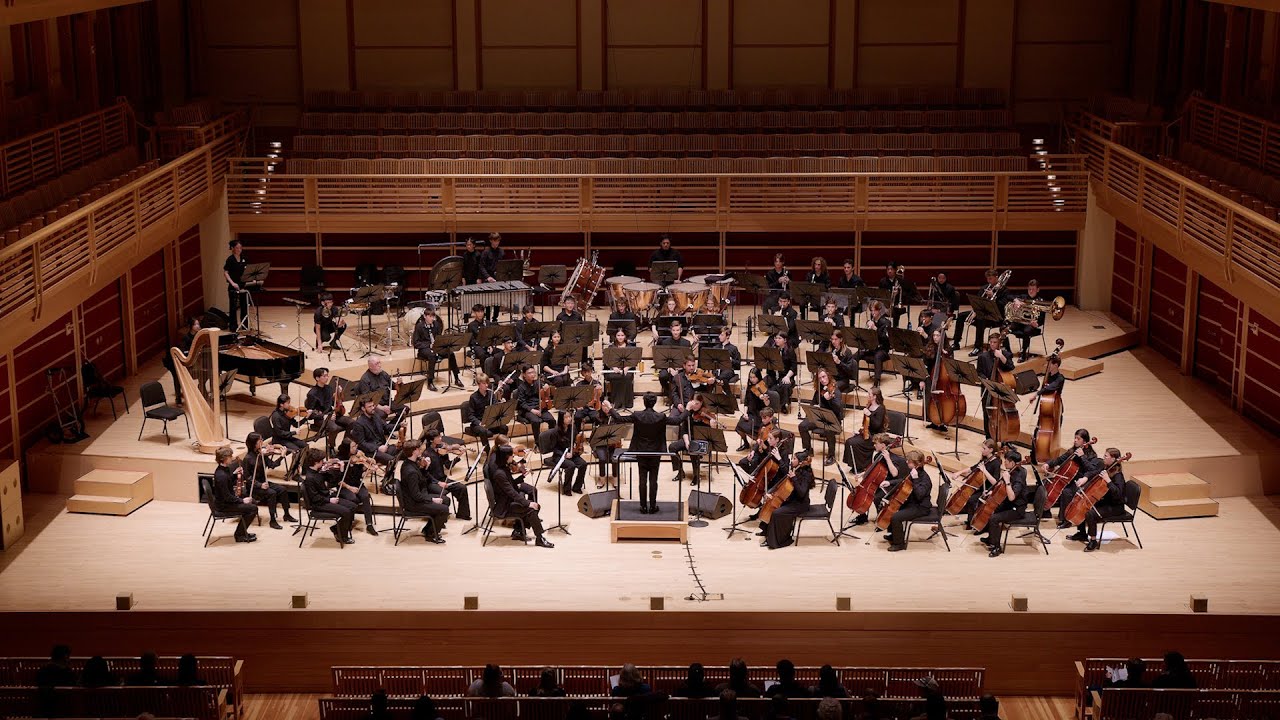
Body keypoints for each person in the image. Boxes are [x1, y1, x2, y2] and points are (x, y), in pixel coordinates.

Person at [607, 392, 681, 514]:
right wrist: (688, 410)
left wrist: (610, 409)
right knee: (653, 480)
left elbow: (619, 418)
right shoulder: (661, 417)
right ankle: (652, 506)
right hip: (655, 453)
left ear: (644, 402)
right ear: (655, 403)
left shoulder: (637, 415)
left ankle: (643, 506)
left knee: (642, 479)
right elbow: (678, 420)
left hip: (641, 451)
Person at [492, 447, 555, 548]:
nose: (513, 457)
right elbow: (511, 492)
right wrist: (528, 503)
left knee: (533, 506)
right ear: (506, 457)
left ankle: (520, 530)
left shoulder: (503, 468)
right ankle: (539, 538)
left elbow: (511, 485)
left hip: (507, 501)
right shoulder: (500, 474)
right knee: (531, 509)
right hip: (504, 506)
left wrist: (523, 476)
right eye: (512, 455)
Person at [1068, 447, 1129, 550]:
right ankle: (1082, 533)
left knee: (1090, 512)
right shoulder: (1106, 468)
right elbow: (1094, 472)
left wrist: (1108, 481)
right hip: (1105, 501)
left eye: (1106, 456)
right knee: (1084, 505)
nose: (1103, 458)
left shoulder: (1118, 476)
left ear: (1113, 459)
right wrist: (1085, 478)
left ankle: (1093, 541)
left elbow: (1118, 495)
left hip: (1115, 506)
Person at [1041, 428, 1101, 530]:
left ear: (1085, 441)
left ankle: (1066, 520)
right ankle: (1046, 510)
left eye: (1078, 438)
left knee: (1067, 492)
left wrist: (1082, 457)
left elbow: (1091, 470)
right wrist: (1048, 463)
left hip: (1080, 481)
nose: (1075, 440)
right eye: (1075, 438)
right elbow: (1059, 460)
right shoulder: (1072, 451)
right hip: (1068, 477)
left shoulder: (1091, 455)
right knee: (1045, 482)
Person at [301, 448, 356, 545]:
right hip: (319, 504)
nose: (324, 462)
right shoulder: (310, 478)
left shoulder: (319, 472)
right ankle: (342, 536)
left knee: (352, 506)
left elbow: (334, 481)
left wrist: (340, 469)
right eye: (322, 461)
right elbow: (315, 498)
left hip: (326, 498)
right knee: (346, 511)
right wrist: (329, 500)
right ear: (316, 462)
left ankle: (336, 528)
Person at [981, 448, 1029, 558]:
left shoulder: (1019, 477)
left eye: (1006, 461)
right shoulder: (1013, 471)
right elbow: (1004, 490)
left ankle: (997, 547)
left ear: (1012, 462)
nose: (1004, 463)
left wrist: (1007, 481)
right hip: (1010, 504)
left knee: (994, 518)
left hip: (1017, 509)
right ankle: (991, 538)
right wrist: (992, 492)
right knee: (991, 510)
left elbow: (1012, 497)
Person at [762, 448, 813, 552]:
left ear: (801, 462)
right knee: (773, 506)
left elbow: (802, 493)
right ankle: (769, 535)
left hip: (800, 504)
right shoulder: (797, 469)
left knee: (776, 512)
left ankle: (780, 540)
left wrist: (794, 478)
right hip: (794, 500)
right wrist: (774, 494)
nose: (791, 460)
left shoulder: (806, 474)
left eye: (794, 458)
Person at [397, 440, 449, 543]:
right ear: (414, 451)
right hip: (413, 504)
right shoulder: (411, 471)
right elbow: (416, 496)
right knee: (444, 509)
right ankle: (431, 535)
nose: (421, 450)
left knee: (446, 500)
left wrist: (426, 467)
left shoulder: (410, 463)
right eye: (419, 448)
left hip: (418, 498)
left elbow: (422, 479)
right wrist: (432, 499)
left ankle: (428, 529)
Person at [241, 432, 295, 529]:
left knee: (282, 489)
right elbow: (247, 478)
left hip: (264, 482)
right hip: (254, 487)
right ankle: (273, 520)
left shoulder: (261, 454)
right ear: (254, 443)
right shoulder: (248, 458)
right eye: (260, 440)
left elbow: (272, 465)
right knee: (272, 493)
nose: (262, 442)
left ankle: (286, 514)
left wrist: (282, 456)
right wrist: (259, 485)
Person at [849, 433, 905, 526]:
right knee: (864, 493)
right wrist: (862, 474)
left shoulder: (894, 458)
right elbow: (874, 469)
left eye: (876, 443)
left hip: (889, 484)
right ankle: (862, 516)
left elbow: (895, 474)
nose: (874, 445)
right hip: (878, 482)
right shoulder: (877, 455)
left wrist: (888, 459)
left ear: (883, 445)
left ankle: (882, 518)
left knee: (876, 497)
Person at [884, 450, 932, 552]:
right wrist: (889, 482)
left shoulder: (924, 478)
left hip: (921, 507)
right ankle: (893, 535)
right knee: (891, 507)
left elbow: (919, 495)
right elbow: (903, 481)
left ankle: (899, 544)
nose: (906, 462)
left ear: (917, 464)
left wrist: (915, 479)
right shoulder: (915, 472)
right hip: (912, 502)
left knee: (896, 517)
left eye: (909, 461)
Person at [328, 442, 380, 535]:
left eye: (356, 445)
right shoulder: (339, 461)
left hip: (356, 483)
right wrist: (350, 488)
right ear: (347, 448)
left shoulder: (357, 459)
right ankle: (348, 521)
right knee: (353, 499)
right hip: (344, 486)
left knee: (365, 497)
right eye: (353, 446)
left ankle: (369, 524)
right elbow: (337, 481)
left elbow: (360, 475)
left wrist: (370, 470)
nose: (356, 448)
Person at [953, 268, 1009, 354]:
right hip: (982, 314)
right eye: (987, 278)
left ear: (996, 278)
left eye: (990, 278)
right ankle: (956, 343)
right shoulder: (984, 288)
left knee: (980, 319)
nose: (988, 281)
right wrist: (975, 311)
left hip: (996, 317)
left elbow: (1003, 304)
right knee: (961, 316)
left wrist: (994, 296)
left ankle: (978, 347)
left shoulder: (1004, 290)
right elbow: (977, 302)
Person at [422, 430, 472, 521]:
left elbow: (448, 465)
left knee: (462, 488)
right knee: (444, 494)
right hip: (432, 482)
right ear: (431, 440)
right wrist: (438, 482)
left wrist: (458, 457)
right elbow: (425, 474)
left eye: (440, 436)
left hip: (443, 478)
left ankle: (463, 514)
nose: (441, 438)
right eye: (438, 437)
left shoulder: (441, 451)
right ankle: (440, 518)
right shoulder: (426, 454)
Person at [975, 333, 1016, 439]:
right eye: (991, 342)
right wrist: (987, 380)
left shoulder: (1006, 355)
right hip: (987, 389)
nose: (992, 345)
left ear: (999, 343)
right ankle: (988, 437)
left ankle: (1004, 438)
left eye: (995, 342)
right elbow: (979, 372)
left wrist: (1001, 356)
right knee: (987, 414)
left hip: (1001, 391)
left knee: (1003, 414)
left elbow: (1011, 367)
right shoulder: (982, 357)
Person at [305, 367, 356, 453]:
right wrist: (324, 416)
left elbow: (332, 403)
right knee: (334, 428)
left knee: (351, 422)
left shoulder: (329, 388)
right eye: (324, 376)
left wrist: (339, 394)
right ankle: (331, 446)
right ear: (317, 378)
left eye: (327, 375)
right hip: (320, 419)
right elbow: (311, 414)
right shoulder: (312, 394)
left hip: (332, 414)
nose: (327, 378)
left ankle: (344, 445)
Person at [799, 368, 844, 465]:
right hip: (820, 418)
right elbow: (813, 403)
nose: (822, 380)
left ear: (828, 376)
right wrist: (813, 408)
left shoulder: (835, 391)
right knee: (802, 426)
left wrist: (830, 400)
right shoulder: (819, 390)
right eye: (820, 378)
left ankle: (831, 455)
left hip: (833, 420)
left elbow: (838, 410)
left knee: (828, 429)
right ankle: (808, 450)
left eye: (824, 377)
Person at [212, 447, 257, 543]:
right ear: (224, 458)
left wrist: (234, 475)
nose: (232, 458)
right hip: (224, 506)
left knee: (252, 502)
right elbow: (227, 497)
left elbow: (229, 483)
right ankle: (239, 535)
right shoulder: (221, 476)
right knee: (252, 508)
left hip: (227, 501)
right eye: (230, 456)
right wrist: (242, 501)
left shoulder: (224, 469)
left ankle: (242, 532)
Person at [413, 306, 460, 392]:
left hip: (436, 347)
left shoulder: (436, 325)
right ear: (425, 316)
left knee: (451, 353)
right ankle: (430, 381)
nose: (432, 318)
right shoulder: (419, 326)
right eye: (430, 316)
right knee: (432, 355)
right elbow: (416, 343)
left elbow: (439, 337)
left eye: (433, 316)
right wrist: (429, 345)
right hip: (424, 349)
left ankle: (457, 377)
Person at [844, 387, 886, 471]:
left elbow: (877, 425)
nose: (868, 396)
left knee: (854, 443)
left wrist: (870, 414)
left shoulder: (880, 408)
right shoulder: (869, 405)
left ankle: (862, 466)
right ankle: (855, 466)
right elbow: (865, 424)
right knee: (849, 441)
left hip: (875, 436)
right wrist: (859, 431)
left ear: (874, 396)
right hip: (866, 433)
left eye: (869, 394)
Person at [461, 373, 506, 450]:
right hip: (478, 424)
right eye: (484, 383)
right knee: (483, 431)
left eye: (487, 383)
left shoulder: (491, 394)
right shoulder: (473, 397)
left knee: (504, 427)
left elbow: (496, 409)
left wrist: (500, 404)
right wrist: (479, 423)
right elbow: (471, 415)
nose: (486, 385)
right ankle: (488, 451)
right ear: (478, 384)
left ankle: (501, 448)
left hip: (490, 422)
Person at [162, 316, 199, 405]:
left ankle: (201, 391)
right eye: (196, 324)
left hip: (192, 362)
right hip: (180, 362)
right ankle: (178, 398)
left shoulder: (198, 337)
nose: (198, 326)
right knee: (177, 377)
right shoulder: (186, 338)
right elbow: (183, 352)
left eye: (198, 324)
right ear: (191, 326)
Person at [549, 412, 589, 495]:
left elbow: (574, 440)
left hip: (571, 453)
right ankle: (567, 489)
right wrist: (564, 454)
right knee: (571, 465)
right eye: (566, 417)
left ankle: (577, 487)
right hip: (559, 456)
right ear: (561, 419)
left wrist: (577, 445)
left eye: (570, 417)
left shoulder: (573, 428)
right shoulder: (555, 431)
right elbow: (553, 448)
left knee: (583, 464)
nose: (569, 419)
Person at [1008, 279, 1047, 361]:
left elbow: (1041, 319)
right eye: (1029, 289)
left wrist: (1037, 324)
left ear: (1038, 290)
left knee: (1027, 331)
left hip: (1031, 326)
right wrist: (1016, 300)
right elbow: (1008, 296)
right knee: (1004, 328)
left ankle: (1023, 353)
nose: (1031, 291)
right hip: (1020, 323)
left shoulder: (1041, 302)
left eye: (1033, 289)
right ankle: (1008, 351)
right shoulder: (1023, 297)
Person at [856, 301, 892, 387]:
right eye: (871, 311)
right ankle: (852, 377)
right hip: (872, 348)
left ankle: (877, 382)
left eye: (874, 311)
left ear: (879, 310)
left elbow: (886, 339)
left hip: (883, 349)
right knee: (856, 355)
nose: (873, 313)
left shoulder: (886, 322)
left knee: (877, 356)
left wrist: (875, 329)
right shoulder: (870, 321)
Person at [351, 399, 396, 467]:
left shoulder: (376, 416)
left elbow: (386, 427)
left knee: (403, 451)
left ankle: (383, 459)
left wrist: (399, 424)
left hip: (383, 446)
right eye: (369, 406)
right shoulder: (359, 424)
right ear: (363, 408)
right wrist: (377, 448)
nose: (373, 408)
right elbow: (362, 443)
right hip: (372, 451)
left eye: (373, 405)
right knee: (392, 461)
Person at [514, 365, 554, 436]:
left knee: (552, 420)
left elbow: (546, 394)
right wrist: (532, 410)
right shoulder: (521, 387)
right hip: (528, 410)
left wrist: (547, 389)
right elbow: (522, 403)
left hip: (540, 407)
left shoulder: (538, 383)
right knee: (536, 421)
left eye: (533, 372)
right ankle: (538, 442)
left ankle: (550, 439)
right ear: (524, 375)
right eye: (529, 373)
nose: (532, 375)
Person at [764, 332, 797, 414]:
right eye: (776, 338)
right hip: (773, 375)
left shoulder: (790, 351)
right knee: (762, 383)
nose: (776, 340)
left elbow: (794, 367)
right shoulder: (772, 350)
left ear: (785, 340)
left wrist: (787, 376)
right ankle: (765, 403)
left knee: (785, 385)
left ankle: (783, 405)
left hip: (785, 375)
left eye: (779, 338)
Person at [268, 393, 308, 460]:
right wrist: (294, 432)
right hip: (279, 440)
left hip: (287, 437)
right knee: (296, 450)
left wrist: (306, 418)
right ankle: (293, 469)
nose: (289, 405)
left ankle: (302, 465)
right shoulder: (276, 416)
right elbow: (280, 433)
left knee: (305, 446)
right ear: (281, 404)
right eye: (288, 403)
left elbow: (295, 424)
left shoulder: (287, 413)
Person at [223, 239, 248, 330]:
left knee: (244, 306)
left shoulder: (244, 258)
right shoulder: (230, 259)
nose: (239, 249)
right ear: (233, 248)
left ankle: (245, 325)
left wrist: (251, 280)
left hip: (243, 286)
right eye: (237, 248)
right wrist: (233, 283)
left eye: (240, 248)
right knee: (233, 308)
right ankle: (233, 327)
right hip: (233, 287)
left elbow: (247, 271)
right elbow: (226, 272)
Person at [480, 232, 505, 321]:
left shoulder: (501, 251)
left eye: (497, 241)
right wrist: (487, 277)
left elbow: (503, 265)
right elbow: (481, 266)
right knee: (488, 302)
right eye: (494, 241)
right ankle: (487, 319)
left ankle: (495, 319)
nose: (496, 243)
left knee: (497, 301)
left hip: (498, 279)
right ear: (491, 241)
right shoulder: (486, 252)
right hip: (488, 279)